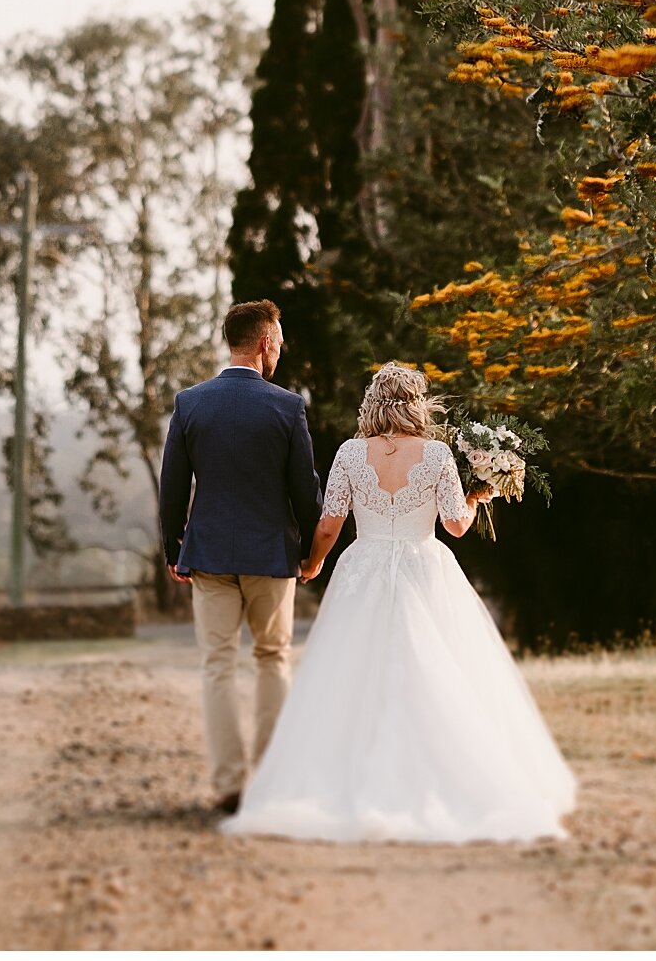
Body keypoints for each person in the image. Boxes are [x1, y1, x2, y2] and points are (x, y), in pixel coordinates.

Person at [219, 362, 577, 843]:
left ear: (373, 402)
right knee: (434, 667)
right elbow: (455, 525)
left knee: (352, 673)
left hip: (362, 566)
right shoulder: (436, 454)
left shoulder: (349, 452)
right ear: (416, 403)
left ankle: (347, 777)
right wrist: (479, 495)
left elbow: (330, 522)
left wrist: (314, 561)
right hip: (423, 566)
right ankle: (442, 777)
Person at [158, 299, 321, 816]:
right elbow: (305, 490)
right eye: (279, 340)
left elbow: (171, 487)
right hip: (272, 557)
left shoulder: (190, 403)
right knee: (272, 658)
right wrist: (313, 550)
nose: (281, 348)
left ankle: (230, 783)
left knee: (217, 665)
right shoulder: (287, 407)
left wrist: (173, 548)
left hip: (207, 554)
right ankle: (269, 776)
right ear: (263, 343)